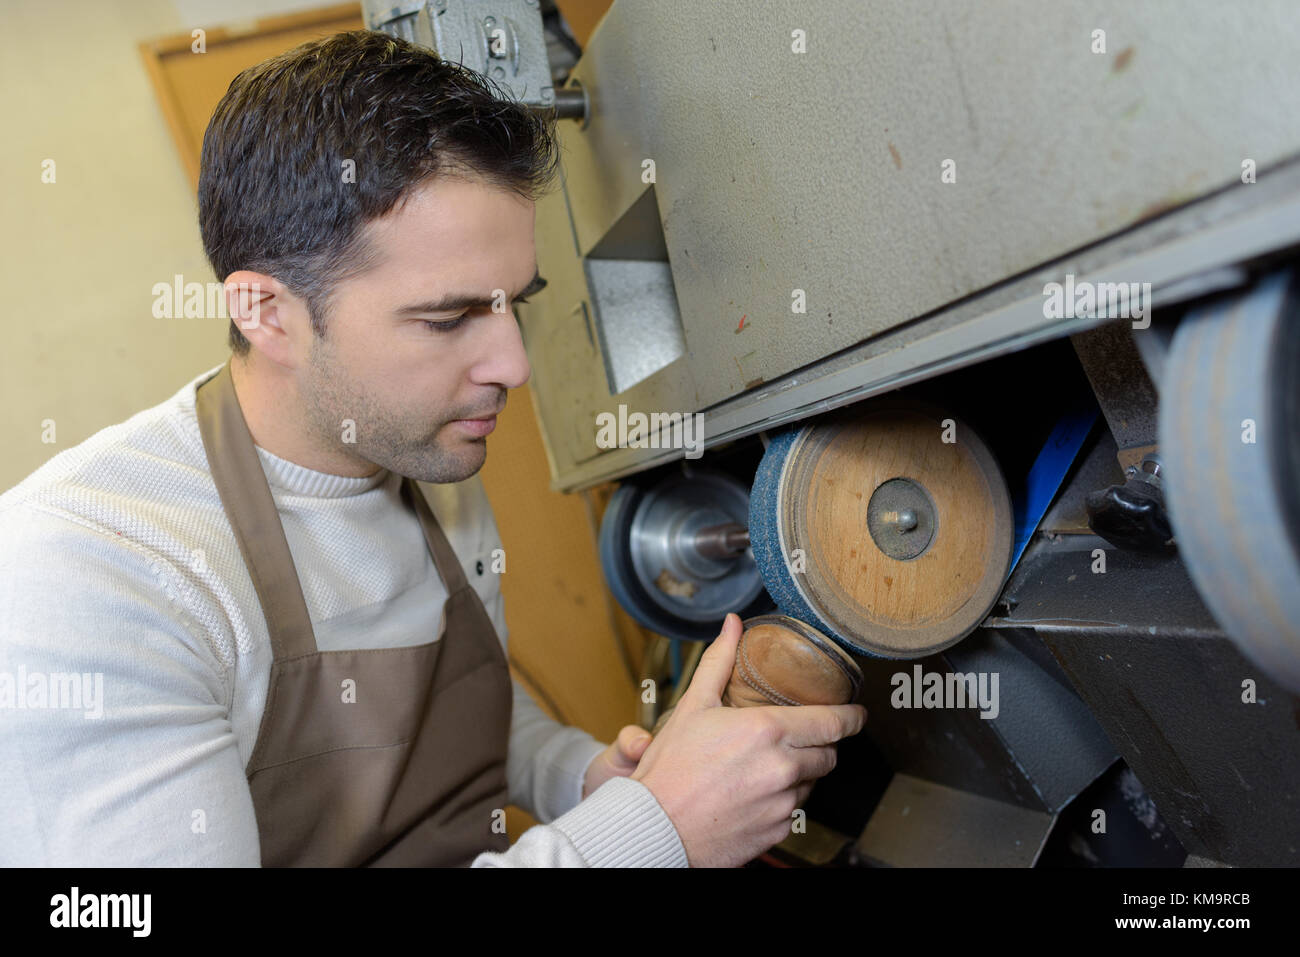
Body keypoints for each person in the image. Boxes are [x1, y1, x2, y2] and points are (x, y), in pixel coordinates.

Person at [0, 30, 864, 867]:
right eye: (448, 318)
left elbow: (444, 717)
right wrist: (650, 833)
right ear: (265, 311)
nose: (514, 366)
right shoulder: (90, 572)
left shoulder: (423, 454)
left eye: (513, 302)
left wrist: (583, 774)